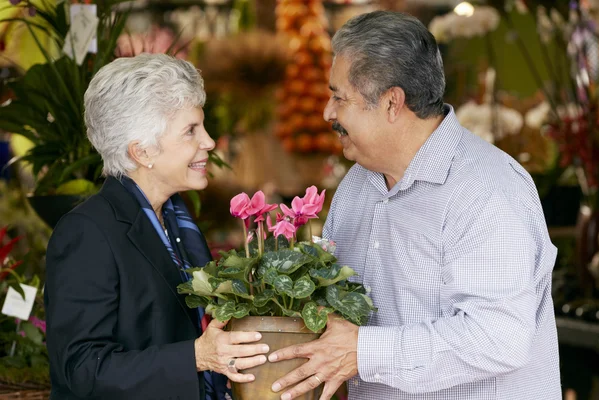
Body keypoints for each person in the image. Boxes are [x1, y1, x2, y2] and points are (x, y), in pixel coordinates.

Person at [267, 11, 561, 400]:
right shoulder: (357, 184)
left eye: (340, 97)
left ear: (392, 102)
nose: (328, 112)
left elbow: (498, 336)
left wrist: (364, 352)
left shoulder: (487, 190)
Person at [44, 54, 269, 400]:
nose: (209, 142)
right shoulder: (87, 232)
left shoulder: (177, 220)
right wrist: (196, 357)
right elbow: (82, 368)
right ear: (141, 151)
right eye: (191, 130)